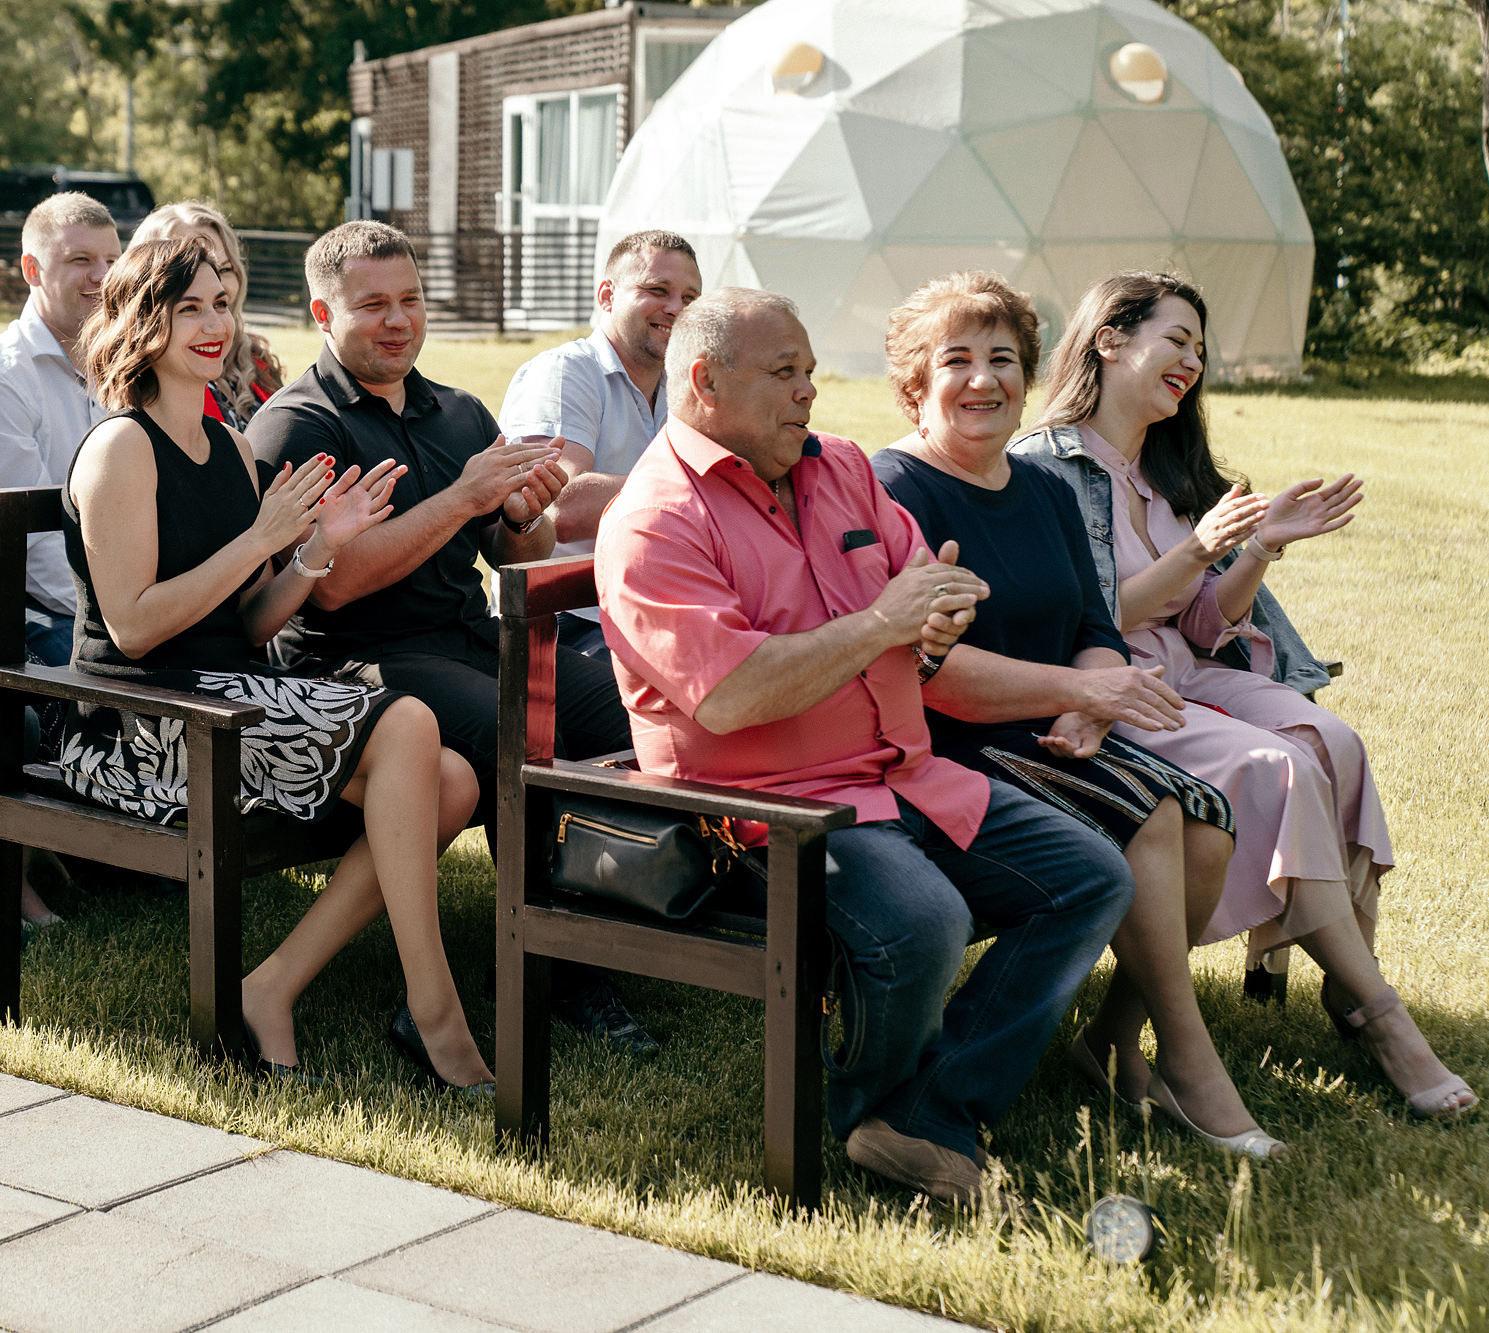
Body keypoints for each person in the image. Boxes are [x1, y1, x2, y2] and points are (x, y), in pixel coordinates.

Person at [595, 287, 1136, 1204]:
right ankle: (882, 1113)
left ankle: (922, 1110)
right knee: (926, 921)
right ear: (705, 382)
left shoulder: (839, 465)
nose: (809, 390)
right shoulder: (656, 517)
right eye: (785, 372)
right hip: (765, 811)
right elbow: (729, 696)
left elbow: (922, 582)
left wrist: (936, 616)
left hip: (904, 773)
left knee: (1092, 877)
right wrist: (884, 622)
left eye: (809, 370)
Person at [1010, 270, 1474, 1120]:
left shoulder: (1162, 469)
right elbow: (1089, 615)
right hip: (1115, 680)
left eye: (1200, 347)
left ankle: (1342, 972)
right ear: (1109, 339)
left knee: (1332, 742)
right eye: (1176, 339)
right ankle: (1381, 1016)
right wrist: (1198, 551)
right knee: (1276, 766)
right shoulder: (1047, 465)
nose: (1193, 361)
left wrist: (1256, 548)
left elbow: (1203, 620)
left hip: (1188, 669)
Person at [62, 235, 492, 1089]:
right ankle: (436, 1011)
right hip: (141, 722)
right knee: (409, 721)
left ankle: (273, 985)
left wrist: (315, 549)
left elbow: (253, 621)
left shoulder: (227, 448)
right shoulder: (120, 448)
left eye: (222, 305)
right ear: (143, 323)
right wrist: (261, 537)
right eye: (189, 308)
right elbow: (134, 627)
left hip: (230, 698)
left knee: (453, 780)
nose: (214, 325)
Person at [872, 272, 1280, 1158]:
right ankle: (1190, 1061)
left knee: (1207, 820)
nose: (984, 379)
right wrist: (1079, 694)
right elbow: (927, 674)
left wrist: (1093, 705)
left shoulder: (1046, 488)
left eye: (1003, 359)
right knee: (1151, 816)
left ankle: (1114, 1033)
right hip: (950, 745)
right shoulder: (894, 485)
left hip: (1053, 728)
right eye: (957, 360)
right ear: (916, 383)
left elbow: (1095, 627)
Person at [249, 221, 655, 1055]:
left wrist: (523, 514)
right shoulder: (297, 424)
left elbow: (513, 553)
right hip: (351, 664)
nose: (398, 320)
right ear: (324, 312)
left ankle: (611, 919)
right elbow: (335, 581)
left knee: (627, 712)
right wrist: (466, 498)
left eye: (411, 299)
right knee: (520, 731)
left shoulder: (458, 412)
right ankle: (556, 969)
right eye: (373, 305)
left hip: (468, 637)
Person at [498, 229, 701, 658]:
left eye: (690, 297)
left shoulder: (683, 387)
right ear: (607, 296)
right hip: (568, 618)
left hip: (654, 606)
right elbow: (560, 507)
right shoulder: (564, 372)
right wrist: (697, 488)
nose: (676, 308)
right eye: (657, 290)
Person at [0, 192, 120, 666]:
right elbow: (33, 550)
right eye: (80, 260)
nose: (103, 276)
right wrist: (126, 616)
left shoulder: (124, 365)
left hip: (129, 598)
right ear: (32, 270)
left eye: (112, 260)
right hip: (44, 615)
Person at [131, 202, 283, 428]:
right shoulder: (137, 387)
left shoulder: (256, 358)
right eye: (191, 270)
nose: (214, 283)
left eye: (224, 269)